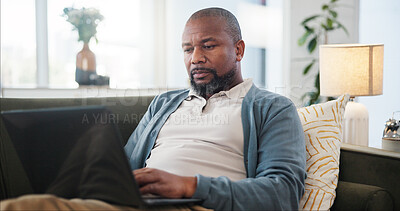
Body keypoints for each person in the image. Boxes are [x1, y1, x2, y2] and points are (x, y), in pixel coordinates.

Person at [1, 7, 306, 210]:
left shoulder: (272, 108)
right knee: (27, 204)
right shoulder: (165, 103)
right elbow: (124, 163)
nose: (195, 58)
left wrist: (189, 186)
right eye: (188, 49)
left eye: (208, 46)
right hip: (138, 204)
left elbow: (283, 192)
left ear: (238, 49)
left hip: (197, 206)